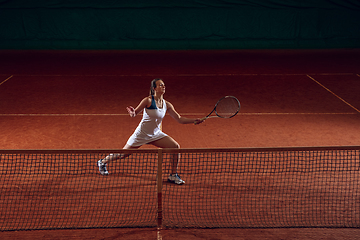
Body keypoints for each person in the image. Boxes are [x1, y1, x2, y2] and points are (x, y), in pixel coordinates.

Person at [97, 78, 204, 184]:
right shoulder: (148, 100)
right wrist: (132, 112)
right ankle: (102, 162)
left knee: (175, 147)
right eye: (160, 85)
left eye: (163, 85)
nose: (163, 86)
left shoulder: (167, 104)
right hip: (141, 134)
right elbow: (135, 114)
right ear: (154, 88)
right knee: (123, 154)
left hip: (156, 134)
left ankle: (173, 175)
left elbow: (179, 119)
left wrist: (193, 120)